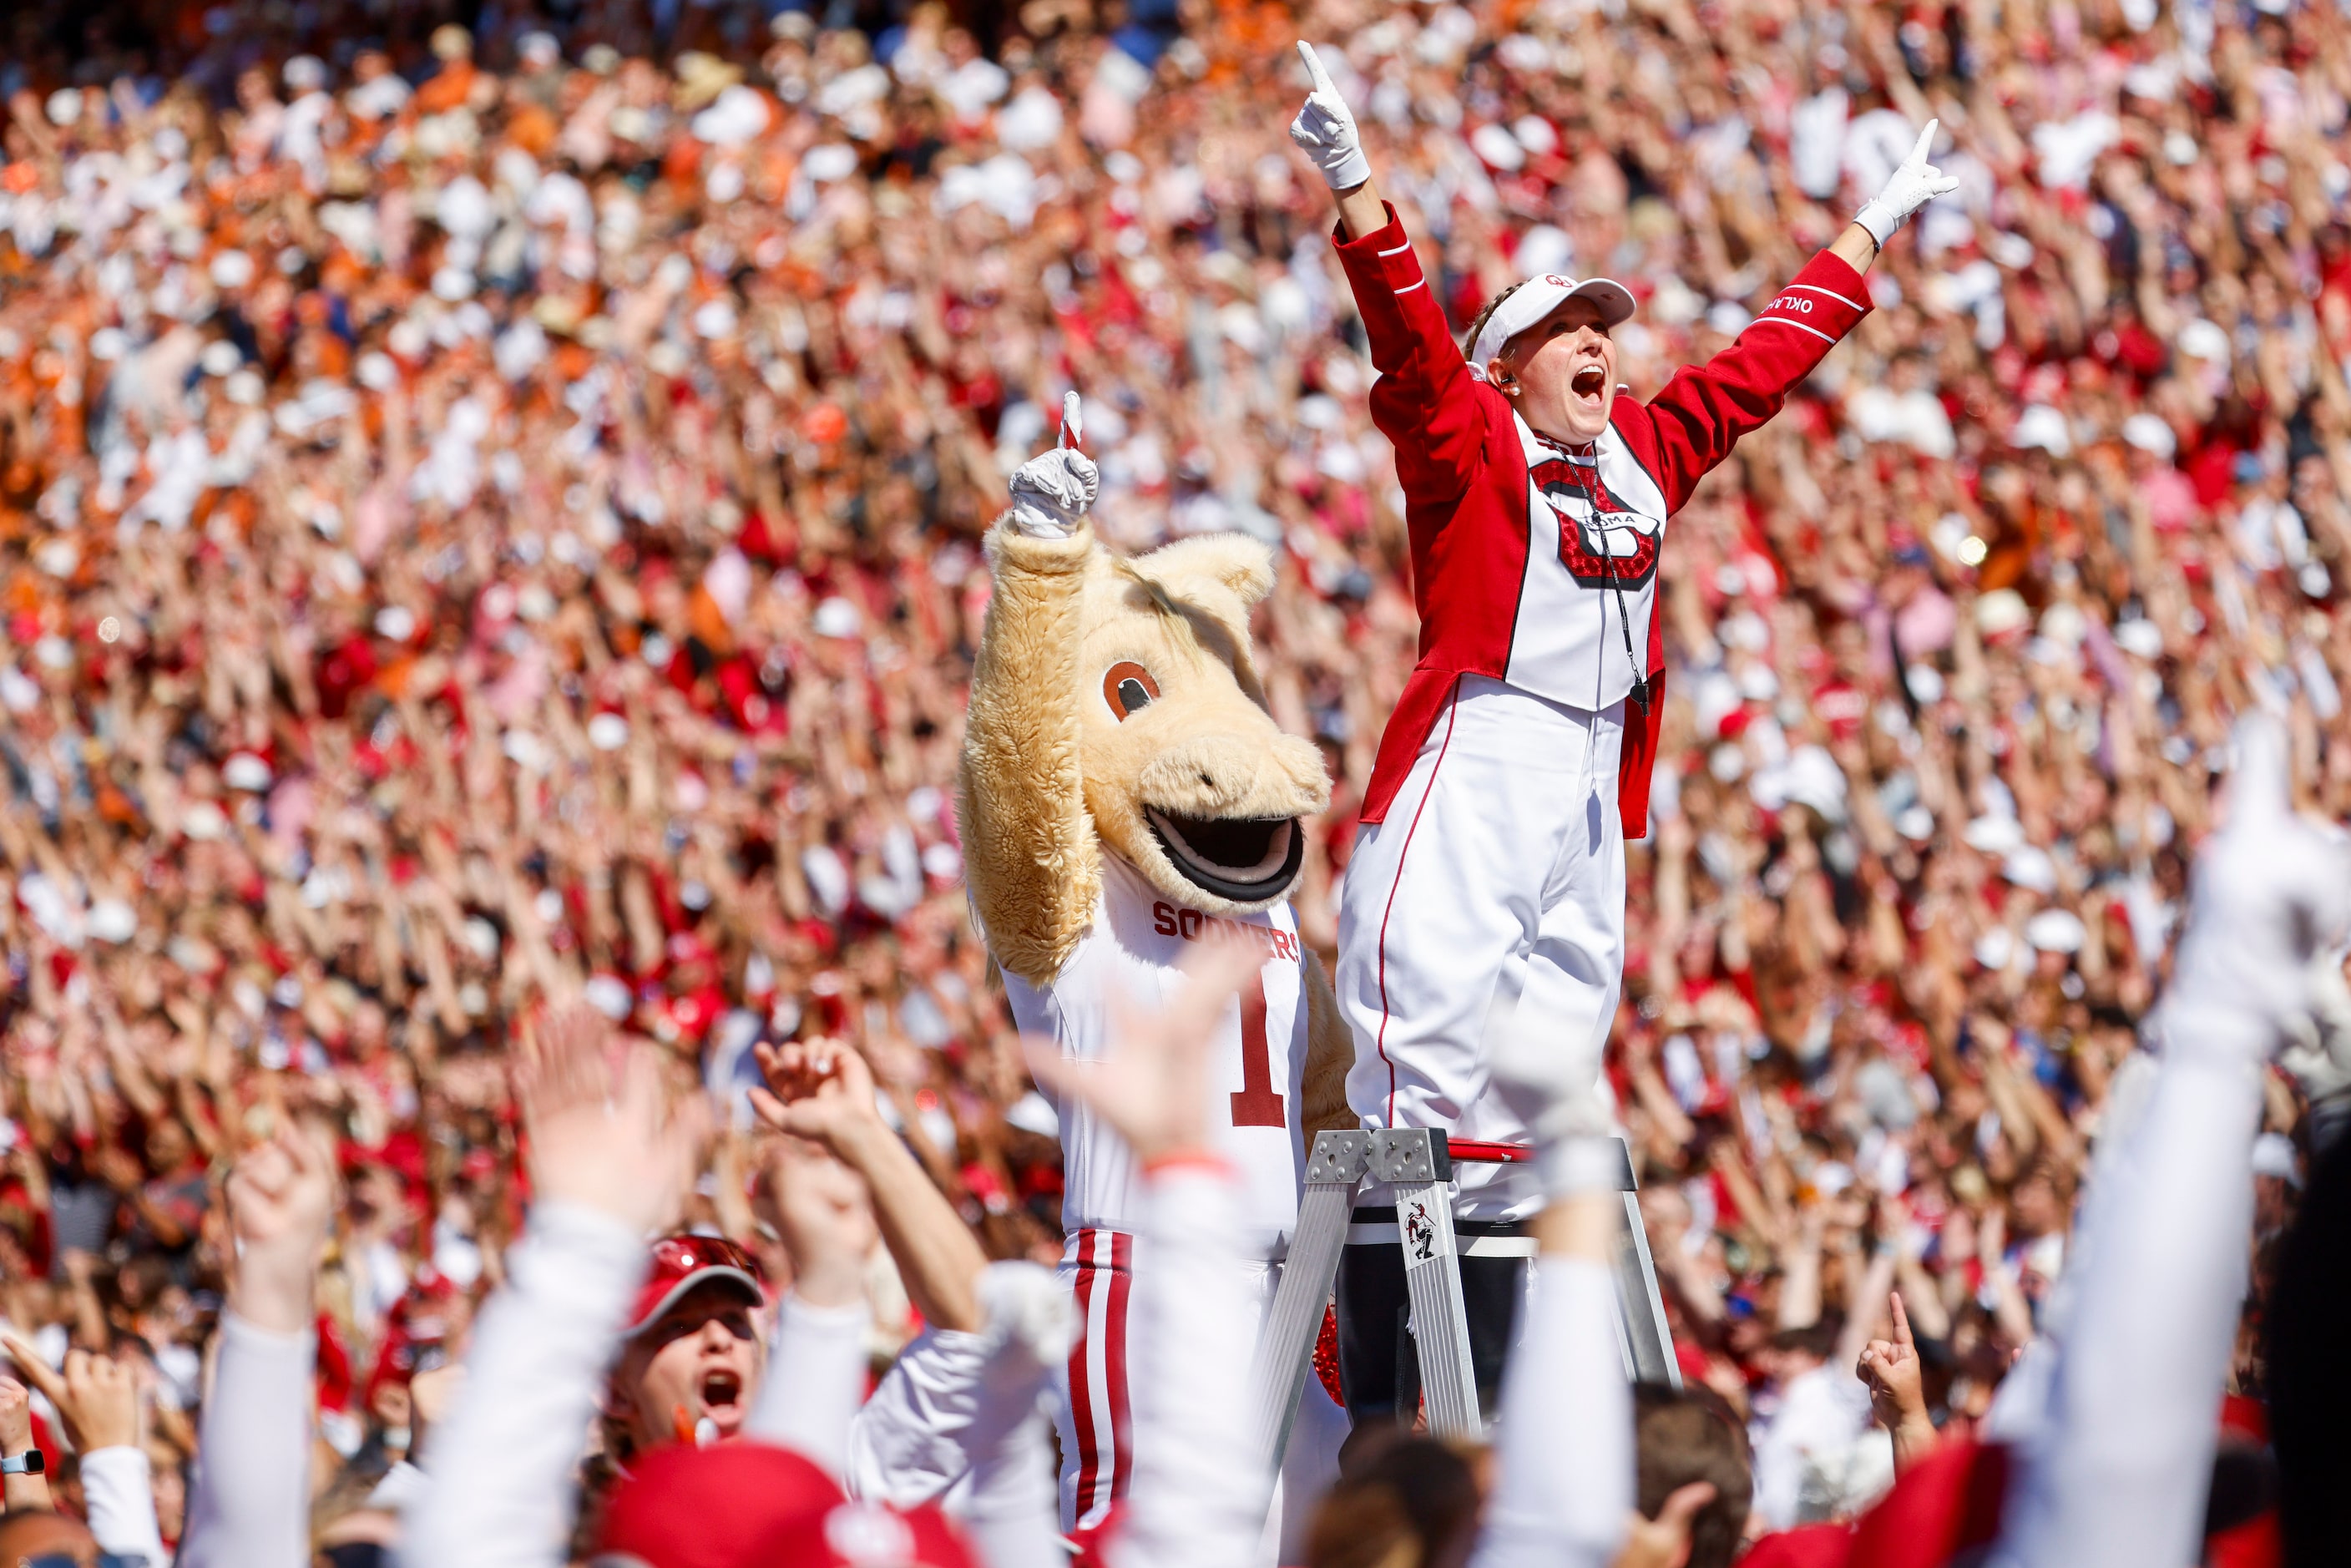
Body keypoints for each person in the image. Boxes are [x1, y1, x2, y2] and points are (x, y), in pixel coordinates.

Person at [1285, 38, 1958, 1419]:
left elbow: (1762, 365)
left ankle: (1524, 1383)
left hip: (1591, 778)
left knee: (1551, 1086)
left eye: (1606, 322)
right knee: (1425, 1076)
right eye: (1567, 326)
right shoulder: (1467, 440)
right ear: (1510, 361)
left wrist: (1870, 227)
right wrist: (1358, 185)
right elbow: (1406, 343)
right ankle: (1392, 1383)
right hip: (1481, 749)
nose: (1601, 339)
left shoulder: (1642, 449)